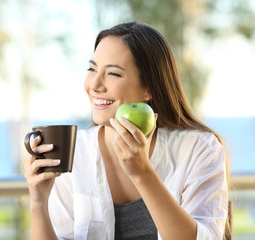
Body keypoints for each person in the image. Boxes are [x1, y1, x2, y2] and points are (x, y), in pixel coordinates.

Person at [24, 21, 228, 240]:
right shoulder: (75, 153)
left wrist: (142, 173)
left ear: (148, 87)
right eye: (92, 69)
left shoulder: (199, 149)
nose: (95, 85)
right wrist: (39, 203)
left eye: (113, 74)